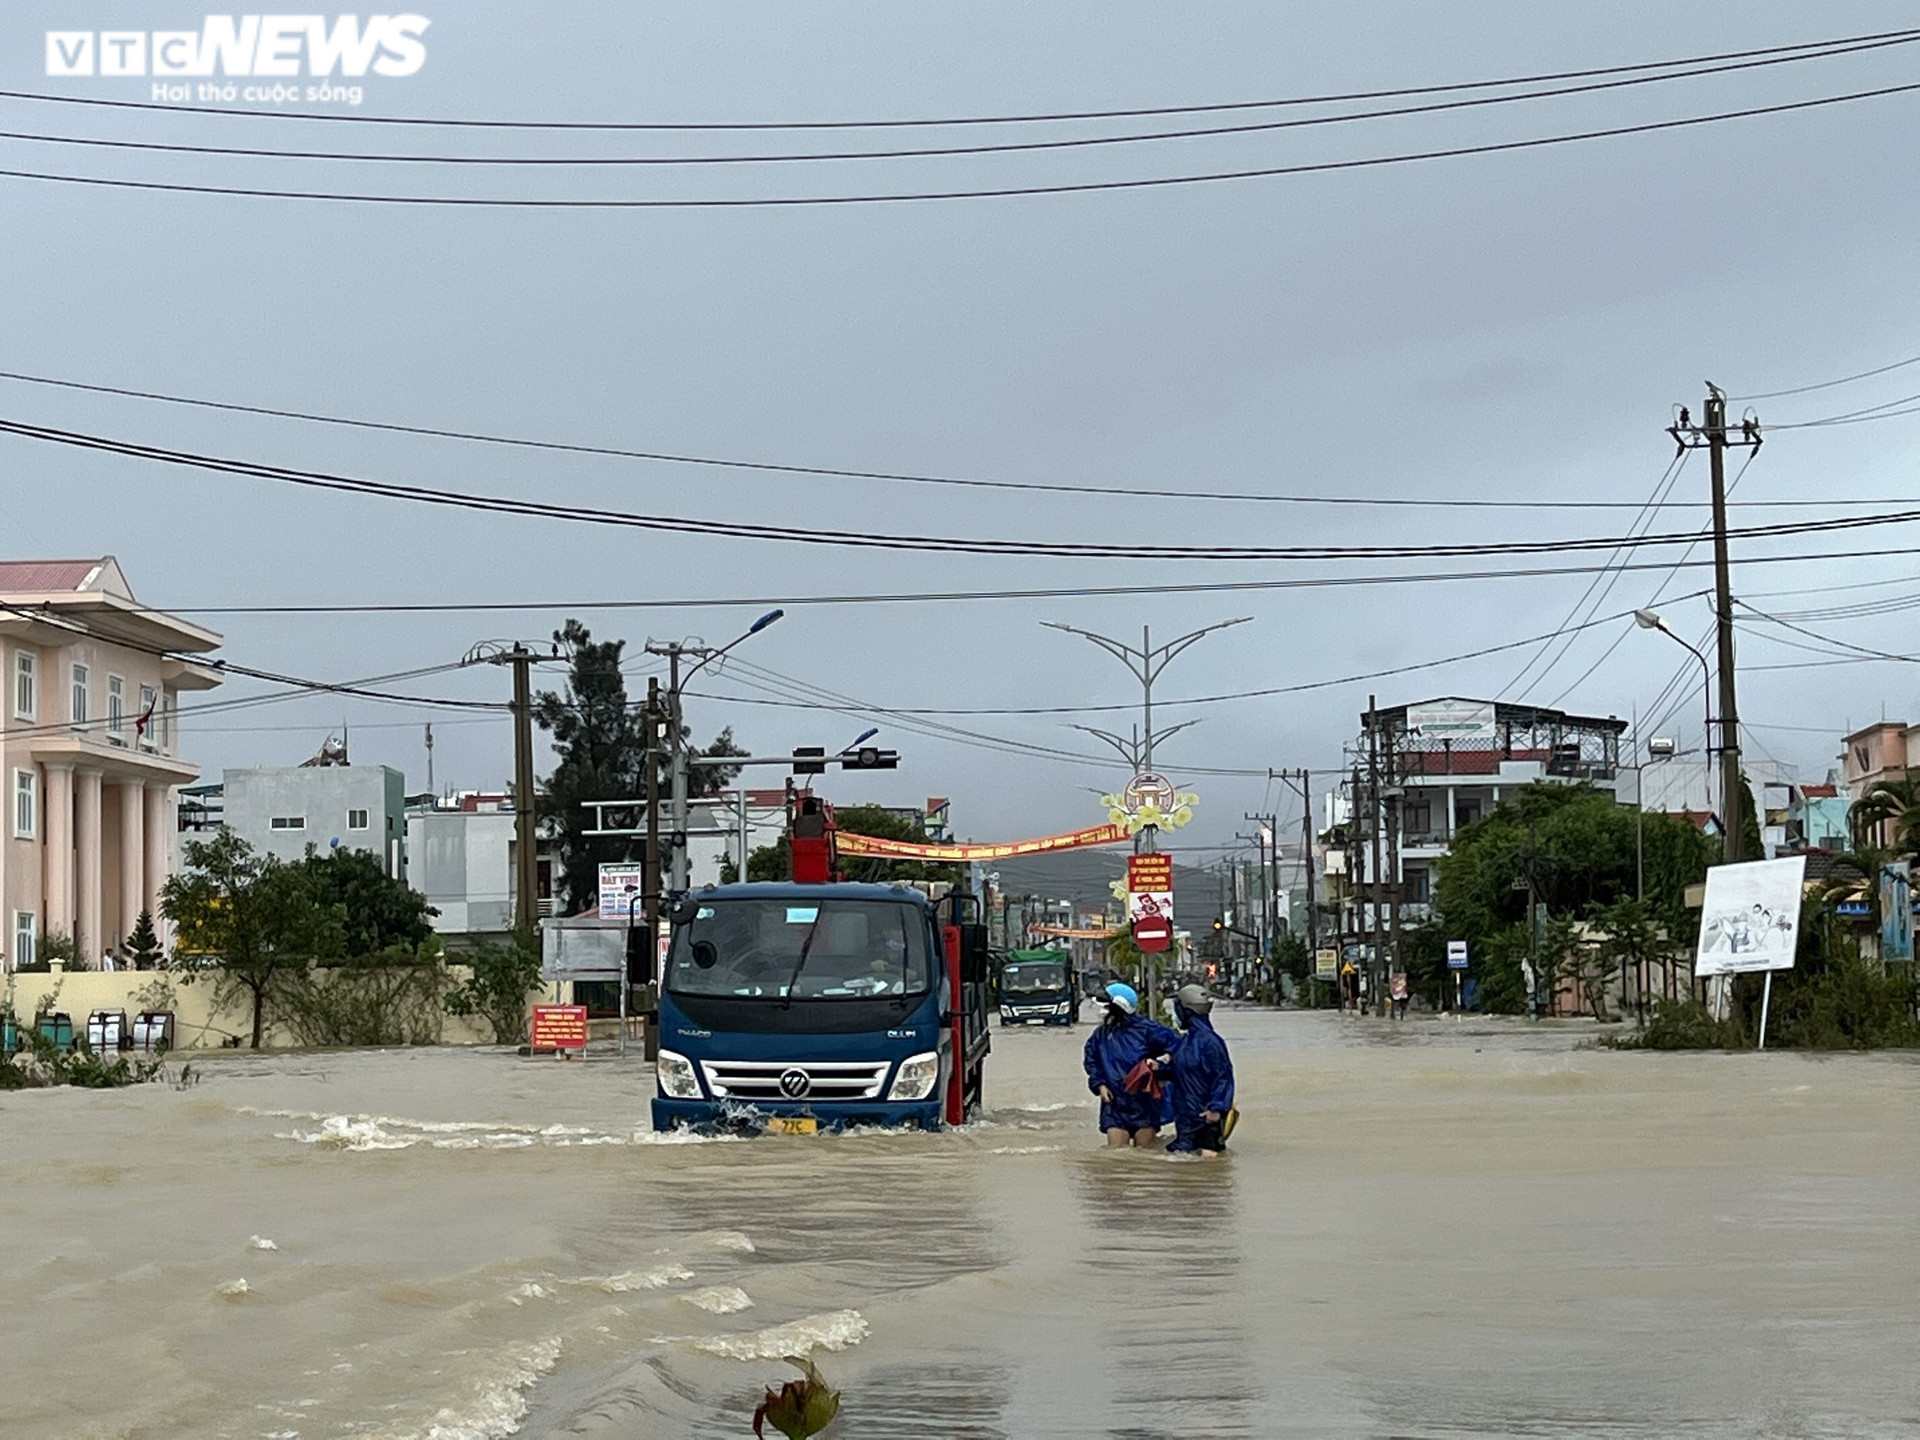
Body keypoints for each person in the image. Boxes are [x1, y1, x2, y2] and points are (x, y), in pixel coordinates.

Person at [1082, 983, 1179, 1148]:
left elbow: (1179, 1051)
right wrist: (1100, 1085)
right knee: (1117, 1158)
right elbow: (1091, 1059)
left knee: (1145, 1159)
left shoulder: (1148, 1030)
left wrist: (1160, 1067)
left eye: (1108, 1005)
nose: (1105, 1010)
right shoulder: (1101, 1034)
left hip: (1144, 1105)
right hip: (1114, 1105)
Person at [1163, 984, 1235, 1157]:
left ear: (1186, 1010)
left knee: (1208, 1167)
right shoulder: (1185, 1041)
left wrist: (1216, 1108)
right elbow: (1179, 1071)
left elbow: (1223, 1077)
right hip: (1185, 1120)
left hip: (1207, 1118)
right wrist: (1159, 1068)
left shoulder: (1211, 1042)